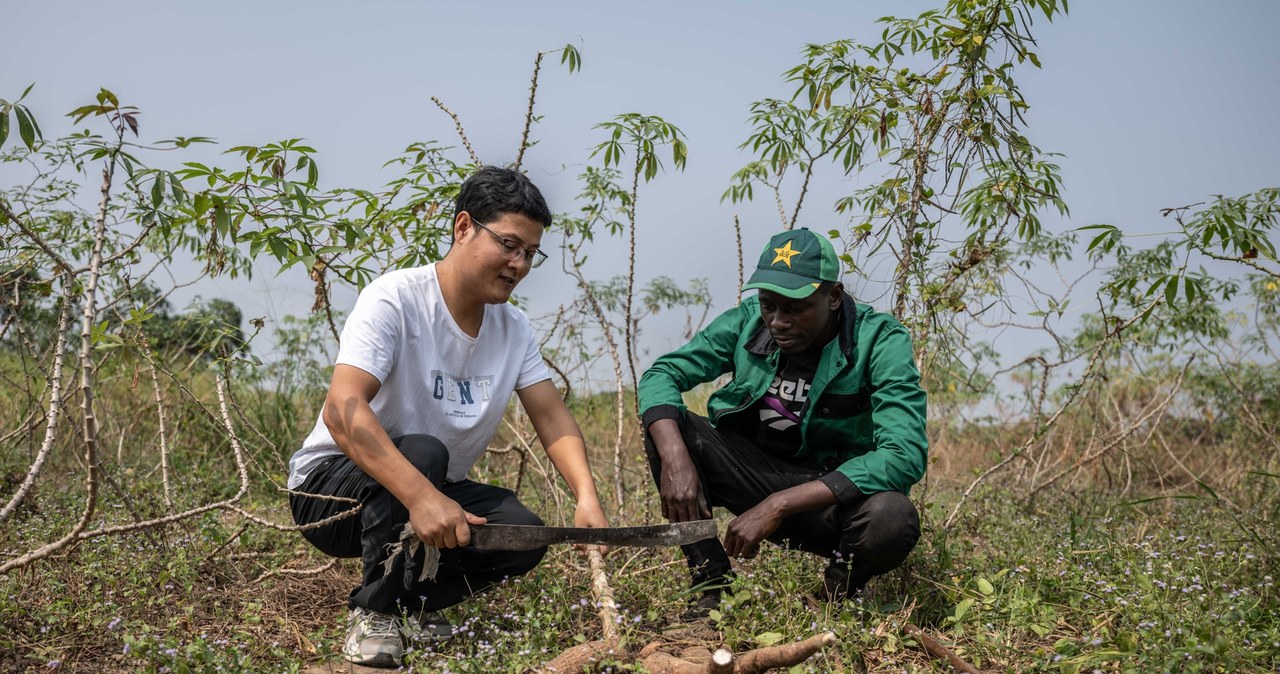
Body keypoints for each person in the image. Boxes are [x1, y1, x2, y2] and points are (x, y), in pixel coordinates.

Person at [287, 166, 608, 668]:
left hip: (427, 485)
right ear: (463, 228)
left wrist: (586, 497)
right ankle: (375, 614)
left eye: (529, 253)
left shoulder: (513, 328)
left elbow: (552, 417)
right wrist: (420, 496)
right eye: (508, 244)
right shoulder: (395, 298)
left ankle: (414, 605)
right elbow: (342, 409)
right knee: (422, 451)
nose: (518, 264)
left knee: (522, 533)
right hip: (329, 493)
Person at [637, 227, 927, 617]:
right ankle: (712, 585)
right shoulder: (748, 322)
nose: (778, 321)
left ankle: (831, 601)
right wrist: (674, 458)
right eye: (769, 305)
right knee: (669, 428)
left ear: (834, 297)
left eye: (794, 308)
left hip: (829, 498)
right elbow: (662, 375)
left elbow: (903, 454)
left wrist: (778, 505)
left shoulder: (880, 340)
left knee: (892, 517)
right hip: (754, 474)